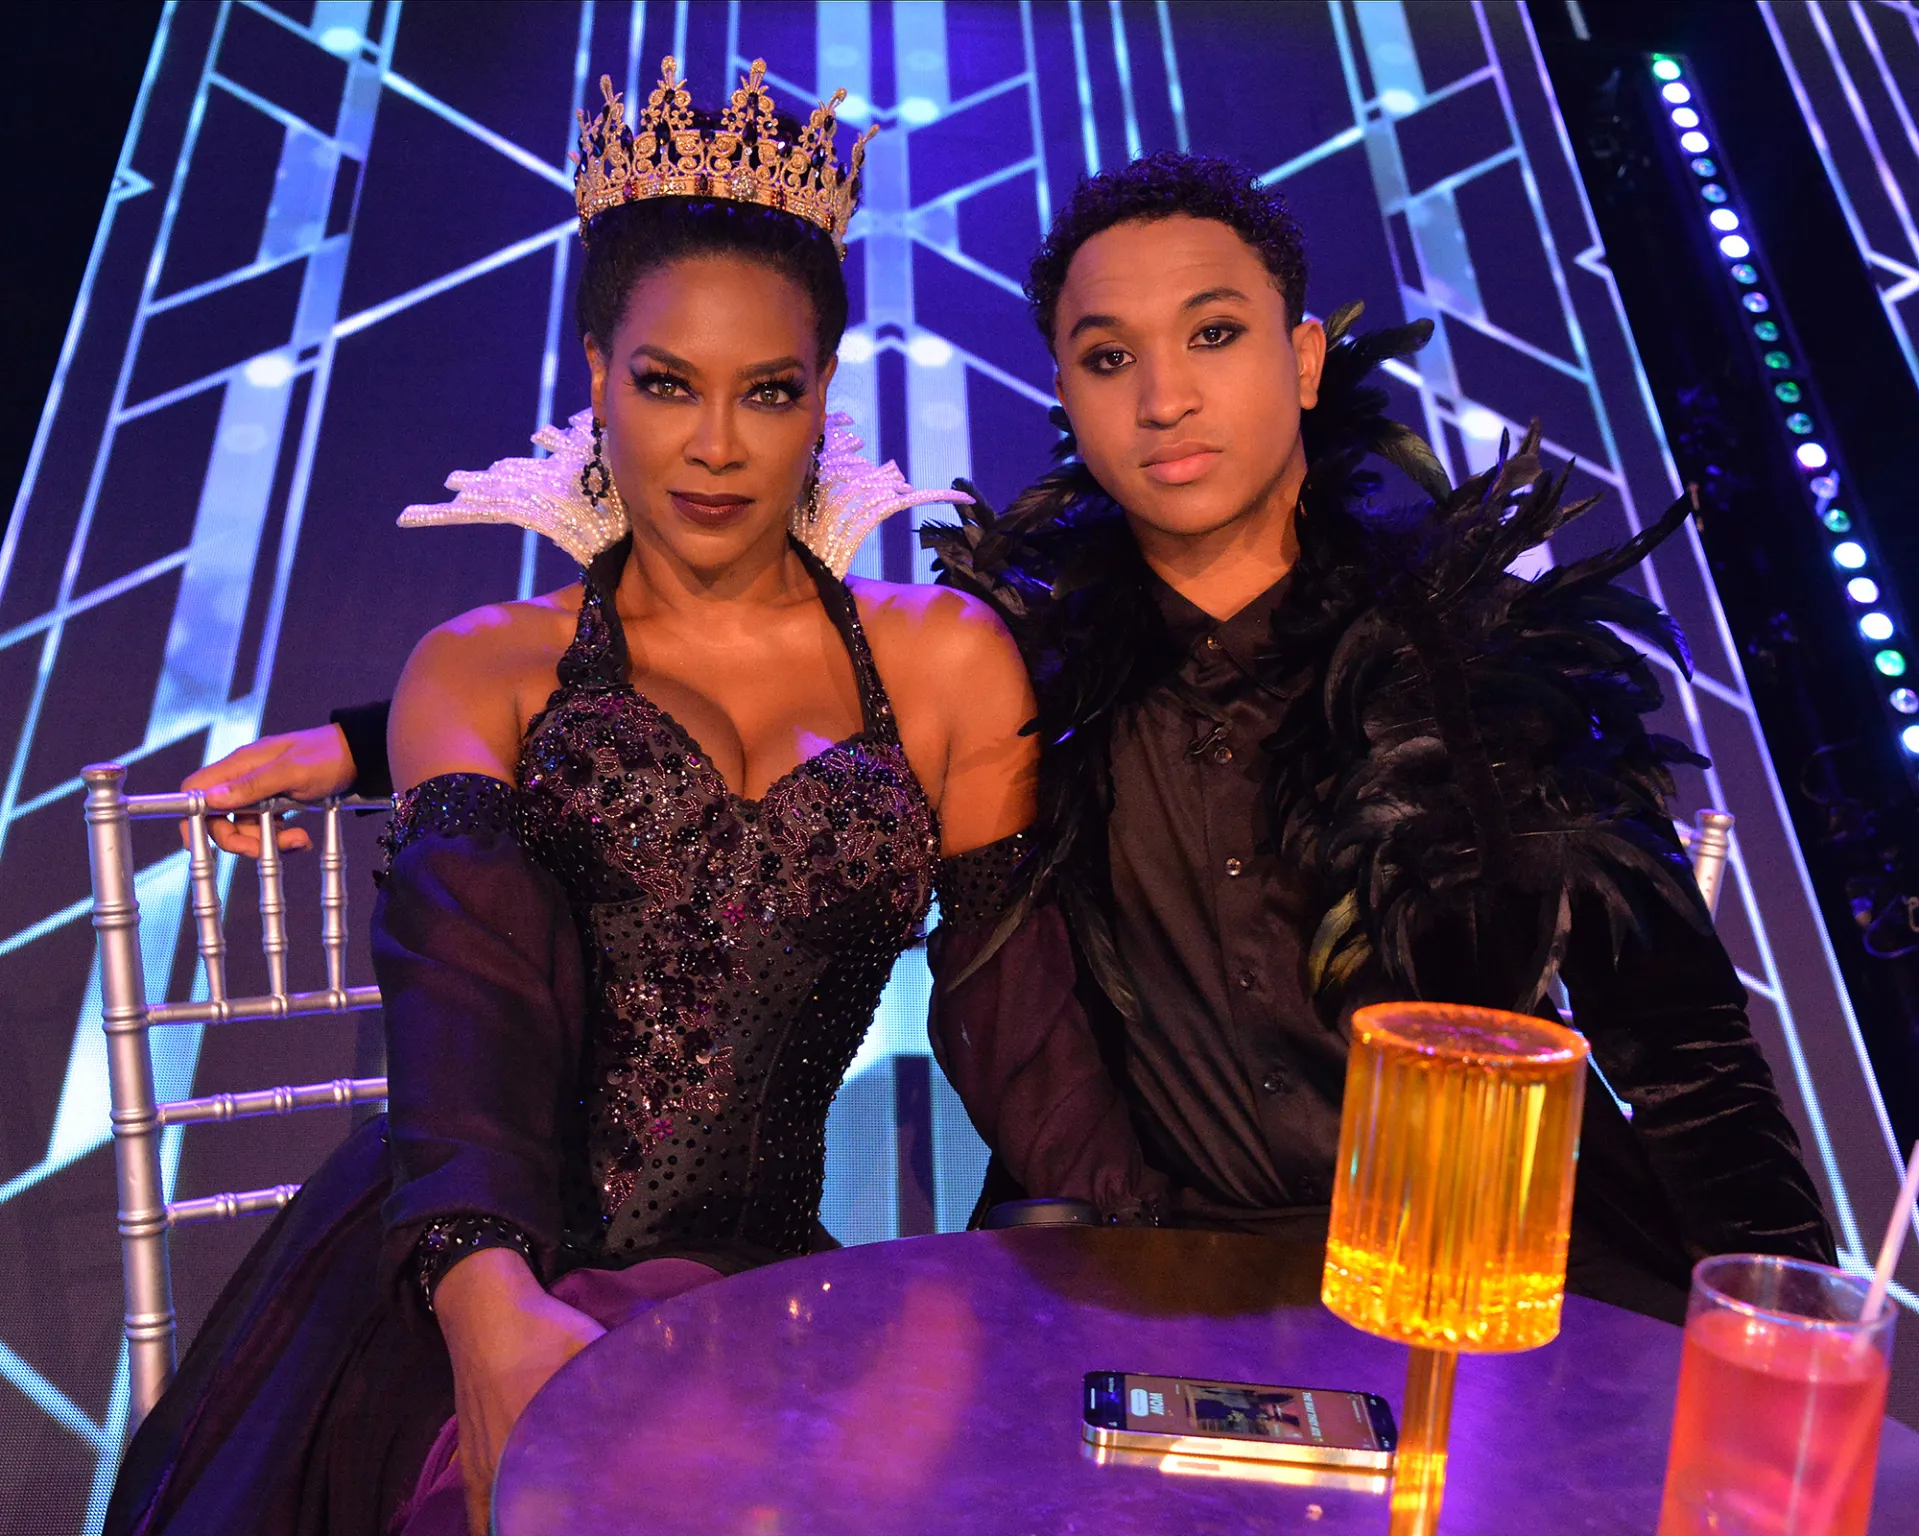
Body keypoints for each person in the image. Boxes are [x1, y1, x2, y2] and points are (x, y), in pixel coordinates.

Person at [194, 157, 1833, 1321]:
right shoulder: (1017, 660)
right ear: (1064, 391)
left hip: (1488, 1276)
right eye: (1109, 358)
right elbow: (691, 688)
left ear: (1304, 359)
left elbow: (1685, 1055)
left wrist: (1787, 1324)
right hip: (1156, 1260)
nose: (1164, 398)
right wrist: (377, 738)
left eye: (1213, 336)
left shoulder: (1491, 671)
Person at [107, 59, 1067, 1536]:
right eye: (666, 383)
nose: (716, 446)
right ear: (597, 376)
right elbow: (466, 1009)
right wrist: (488, 1308)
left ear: (825, 393)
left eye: (769, 390)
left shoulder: (942, 659)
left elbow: (1024, 1027)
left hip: (767, 1290)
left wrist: (1053, 1277)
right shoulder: (483, 667)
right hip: (478, 1258)